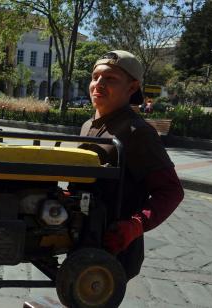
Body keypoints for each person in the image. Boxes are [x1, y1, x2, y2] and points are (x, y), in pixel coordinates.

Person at [79, 50, 184, 281]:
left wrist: (134, 227)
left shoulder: (138, 132)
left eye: (110, 78)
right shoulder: (89, 125)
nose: (98, 84)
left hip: (114, 247)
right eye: (95, 76)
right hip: (82, 239)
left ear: (132, 87)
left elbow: (171, 191)